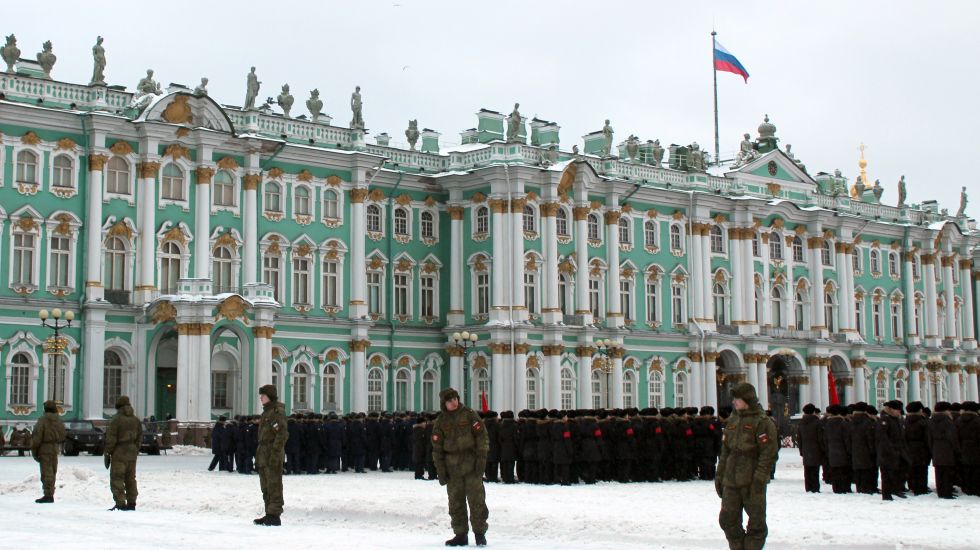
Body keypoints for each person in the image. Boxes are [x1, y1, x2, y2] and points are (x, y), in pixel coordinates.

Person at [716, 382, 778, 550]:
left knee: (756, 522)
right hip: (731, 479)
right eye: (734, 399)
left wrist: (760, 477)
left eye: (738, 399)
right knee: (727, 519)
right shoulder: (733, 420)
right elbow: (725, 451)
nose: (734, 402)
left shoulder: (762, 422)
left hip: (751, 479)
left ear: (747, 400)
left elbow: (768, 453)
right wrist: (720, 475)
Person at [432, 387, 489, 547]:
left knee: (477, 501)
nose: (454, 402)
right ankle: (460, 534)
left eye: (455, 399)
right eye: (450, 400)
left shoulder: (469, 414)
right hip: (453, 468)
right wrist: (441, 471)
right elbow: (437, 448)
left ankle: (480, 534)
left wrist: (481, 460)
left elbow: (482, 437)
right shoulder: (441, 421)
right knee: (456, 503)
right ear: (445, 403)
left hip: (471, 465)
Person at [254, 384, 288, 526]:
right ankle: (269, 512)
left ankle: (274, 514)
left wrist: (275, 455)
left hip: (272, 453)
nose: (261, 398)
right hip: (264, 453)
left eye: (263, 395)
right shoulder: (266, 412)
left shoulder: (276, 412)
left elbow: (281, 435)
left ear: (270, 396)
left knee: (274, 484)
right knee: (266, 485)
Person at [105, 395, 142, 511]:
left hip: (119, 451)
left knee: (117, 477)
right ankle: (132, 502)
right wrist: (135, 448)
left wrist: (108, 452)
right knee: (131, 478)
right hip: (132, 452)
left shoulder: (116, 420)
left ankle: (120, 503)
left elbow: (111, 438)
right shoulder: (136, 420)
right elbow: (140, 437)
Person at [31, 400, 65, 503]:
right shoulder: (59, 420)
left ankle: (48, 494)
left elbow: (37, 437)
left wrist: (34, 450)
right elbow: (63, 435)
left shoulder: (42, 420)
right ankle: (50, 493)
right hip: (55, 447)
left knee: (46, 471)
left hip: (44, 448)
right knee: (53, 470)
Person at [876, 400, 909, 500]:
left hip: (898, 451)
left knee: (898, 472)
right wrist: (891, 450)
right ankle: (887, 494)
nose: (899, 412)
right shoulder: (884, 420)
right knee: (887, 474)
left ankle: (896, 489)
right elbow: (883, 437)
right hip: (887, 453)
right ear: (890, 409)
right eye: (897, 410)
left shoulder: (896, 419)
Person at [928, 401, 960, 499]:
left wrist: (932, 448)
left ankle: (941, 491)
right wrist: (957, 449)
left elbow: (929, 437)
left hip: (936, 448)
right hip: (947, 448)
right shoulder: (947, 421)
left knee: (939, 471)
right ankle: (947, 492)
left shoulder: (932, 420)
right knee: (947, 472)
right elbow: (952, 437)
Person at [796, 403, 825, 493]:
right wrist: (823, 449)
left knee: (807, 470)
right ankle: (815, 487)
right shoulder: (817, 422)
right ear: (813, 411)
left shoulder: (801, 423)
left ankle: (808, 486)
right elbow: (820, 438)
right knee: (815, 470)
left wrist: (801, 450)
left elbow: (799, 439)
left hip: (805, 449)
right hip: (816, 449)